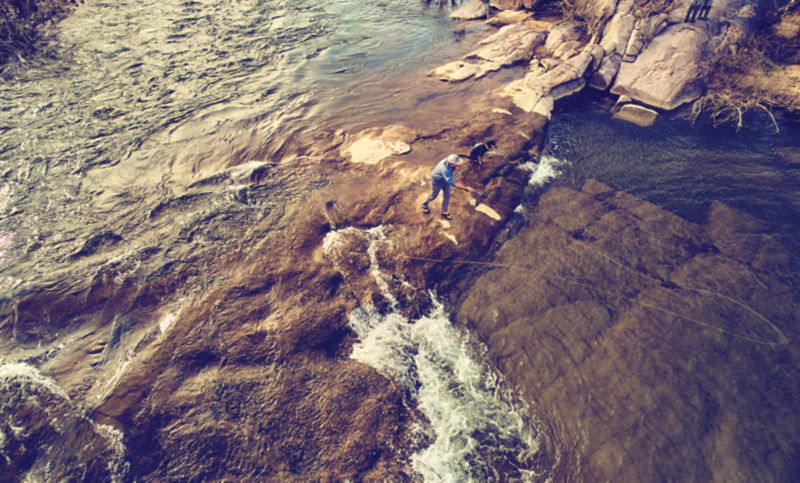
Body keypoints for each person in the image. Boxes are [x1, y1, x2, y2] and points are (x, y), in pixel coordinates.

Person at [421, 154, 475, 220]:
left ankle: (445, 211)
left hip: (445, 179)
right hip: (437, 180)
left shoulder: (450, 162)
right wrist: (465, 188)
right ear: (451, 163)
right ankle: (424, 205)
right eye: (456, 164)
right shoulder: (444, 169)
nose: (458, 165)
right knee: (434, 195)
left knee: (447, 195)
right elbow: (453, 183)